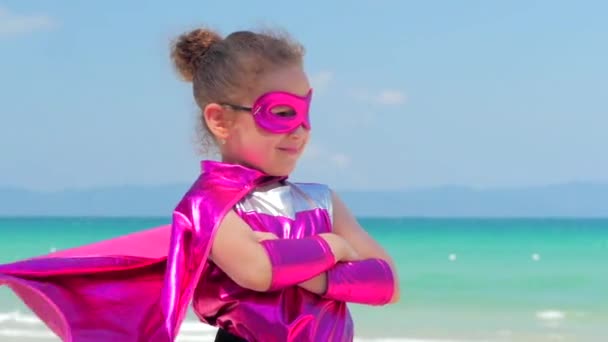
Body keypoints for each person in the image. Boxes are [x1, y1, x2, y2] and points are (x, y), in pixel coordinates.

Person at [0, 26, 400, 342]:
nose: (299, 129)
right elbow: (258, 270)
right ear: (221, 120)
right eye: (280, 112)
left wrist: (303, 263)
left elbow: (387, 283)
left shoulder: (320, 200)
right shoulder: (210, 204)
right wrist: (334, 248)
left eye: (304, 112)